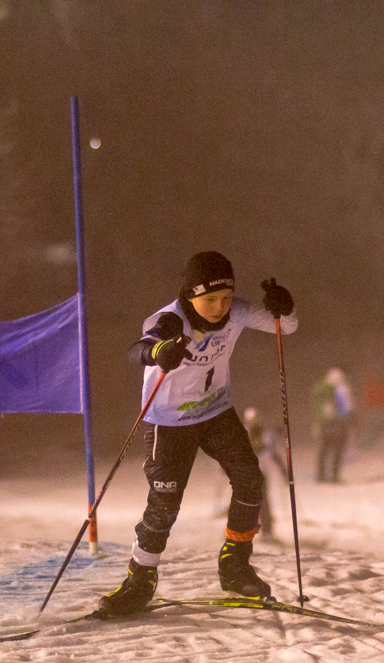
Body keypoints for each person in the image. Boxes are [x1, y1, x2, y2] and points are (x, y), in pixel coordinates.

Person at [99, 251, 297, 616]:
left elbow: (286, 327)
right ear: (191, 295)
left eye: (226, 297)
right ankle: (139, 580)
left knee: (250, 481)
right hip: (169, 422)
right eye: (211, 299)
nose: (221, 307)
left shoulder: (236, 312)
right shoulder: (170, 320)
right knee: (164, 505)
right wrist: (159, 351)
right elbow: (136, 351)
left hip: (215, 412)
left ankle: (235, 567)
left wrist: (283, 307)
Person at [242, 406, 284, 538]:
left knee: (263, 500)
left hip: (261, 472)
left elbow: (273, 452)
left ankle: (267, 529)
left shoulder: (265, 434)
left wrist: (283, 469)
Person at [313, 367, 353, 483]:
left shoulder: (337, 388)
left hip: (336, 421)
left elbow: (347, 406)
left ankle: (326, 476)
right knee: (329, 449)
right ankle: (326, 476)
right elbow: (345, 406)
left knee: (330, 450)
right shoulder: (328, 389)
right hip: (332, 422)